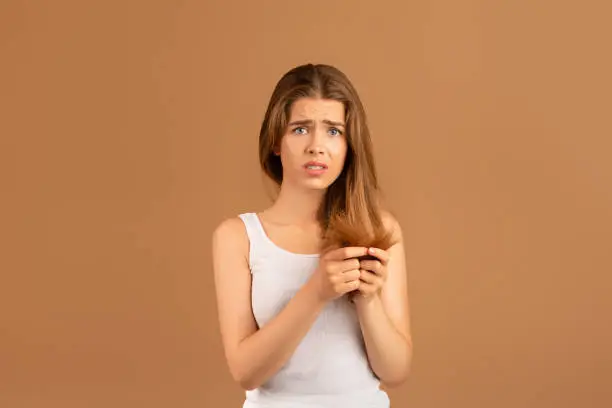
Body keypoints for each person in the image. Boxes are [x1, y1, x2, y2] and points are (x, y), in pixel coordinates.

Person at [212, 63, 413, 408]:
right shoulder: (238, 237)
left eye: (334, 131)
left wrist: (367, 300)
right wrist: (317, 292)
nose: (317, 146)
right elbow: (245, 372)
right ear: (276, 140)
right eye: (301, 129)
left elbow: (395, 370)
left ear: (351, 145)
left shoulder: (379, 229)